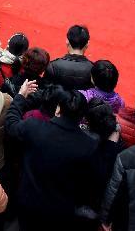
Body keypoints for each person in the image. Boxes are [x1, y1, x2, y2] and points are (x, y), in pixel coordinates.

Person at [6, 83, 99, 230]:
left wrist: (20, 97)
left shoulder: (34, 127)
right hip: (60, 209)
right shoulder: (89, 145)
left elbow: (11, 123)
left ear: (58, 109)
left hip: (30, 202)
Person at [45, 24, 94, 91]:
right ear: (87, 44)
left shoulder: (52, 67)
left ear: (67, 41)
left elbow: (46, 93)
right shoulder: (94, 70)